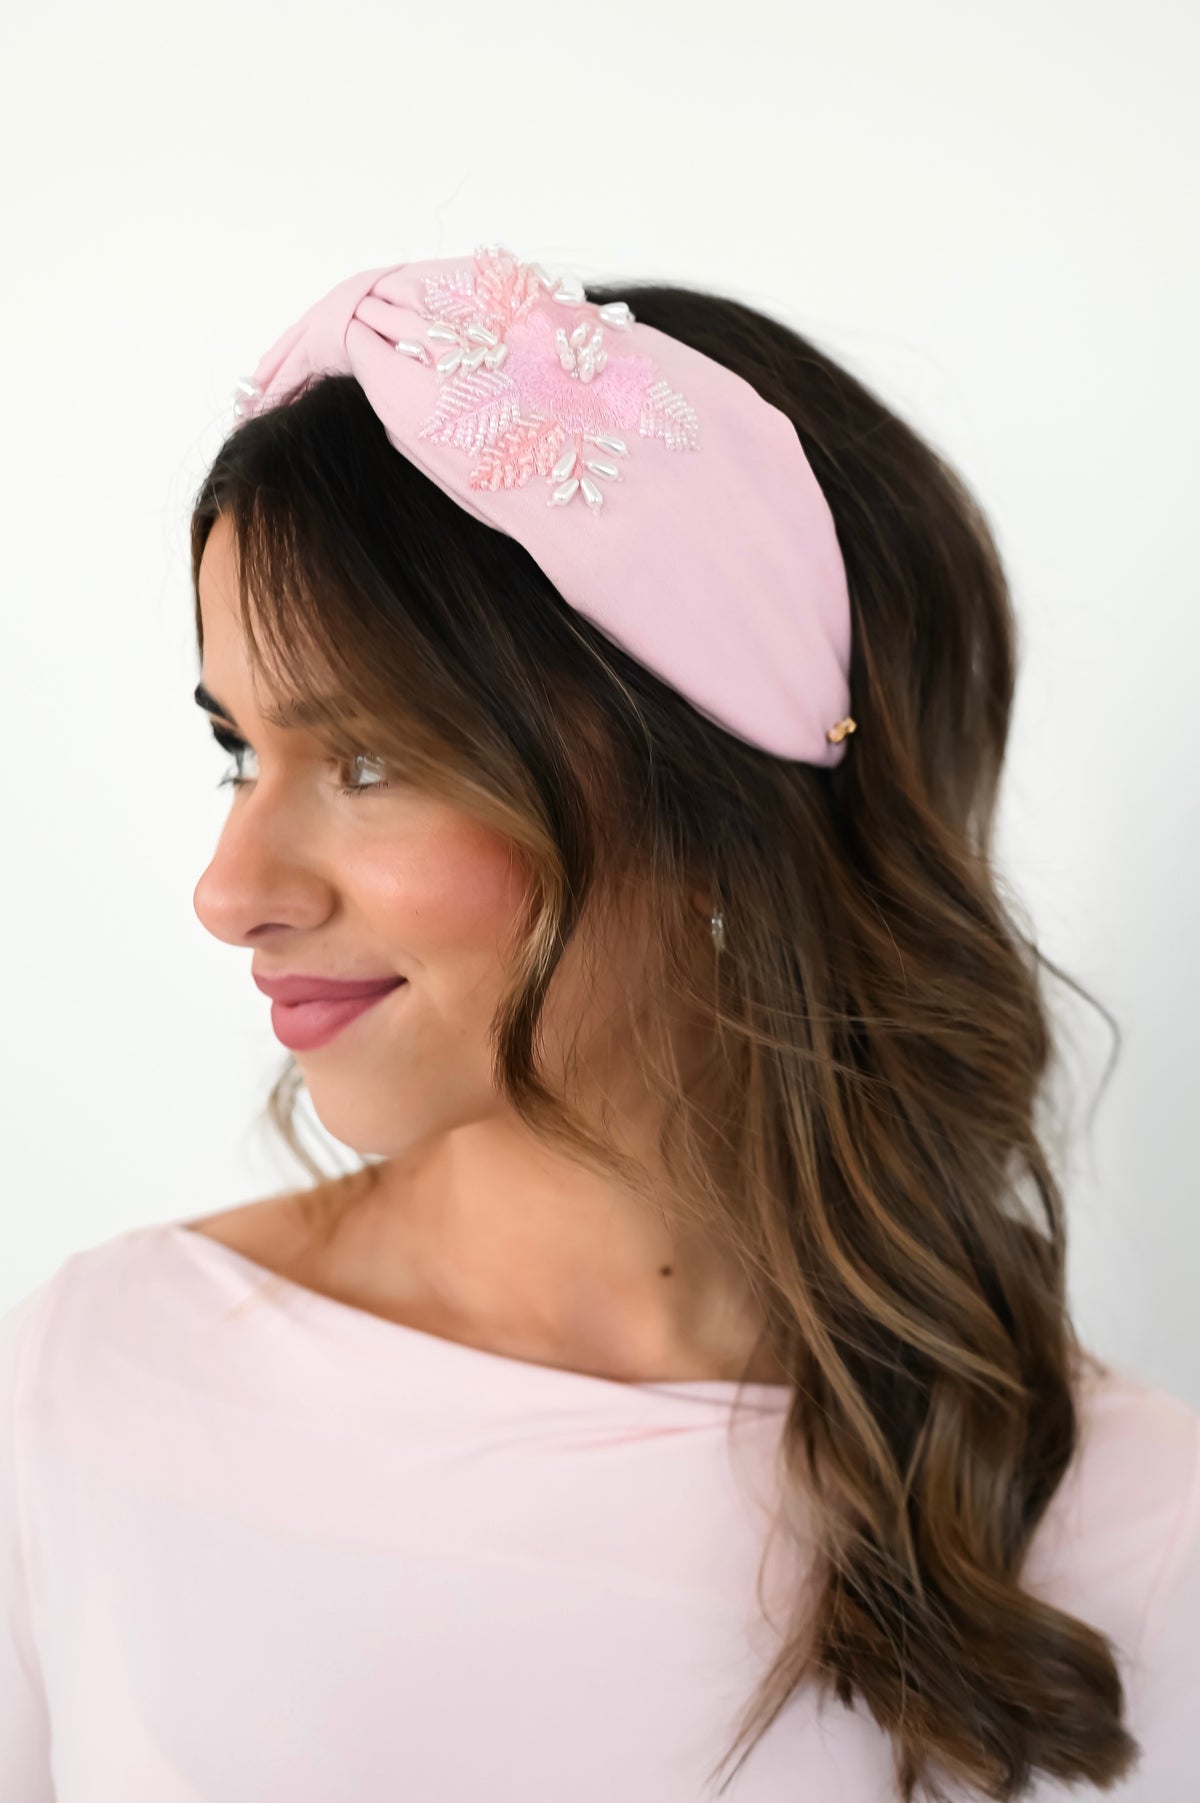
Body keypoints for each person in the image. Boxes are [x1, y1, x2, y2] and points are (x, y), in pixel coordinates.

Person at [1, 243, 1196, 1801]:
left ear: (720, 812)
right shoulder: (100, 1388)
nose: (230, 892)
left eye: (369, 761)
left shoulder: (1136, 1535)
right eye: (240, 749)